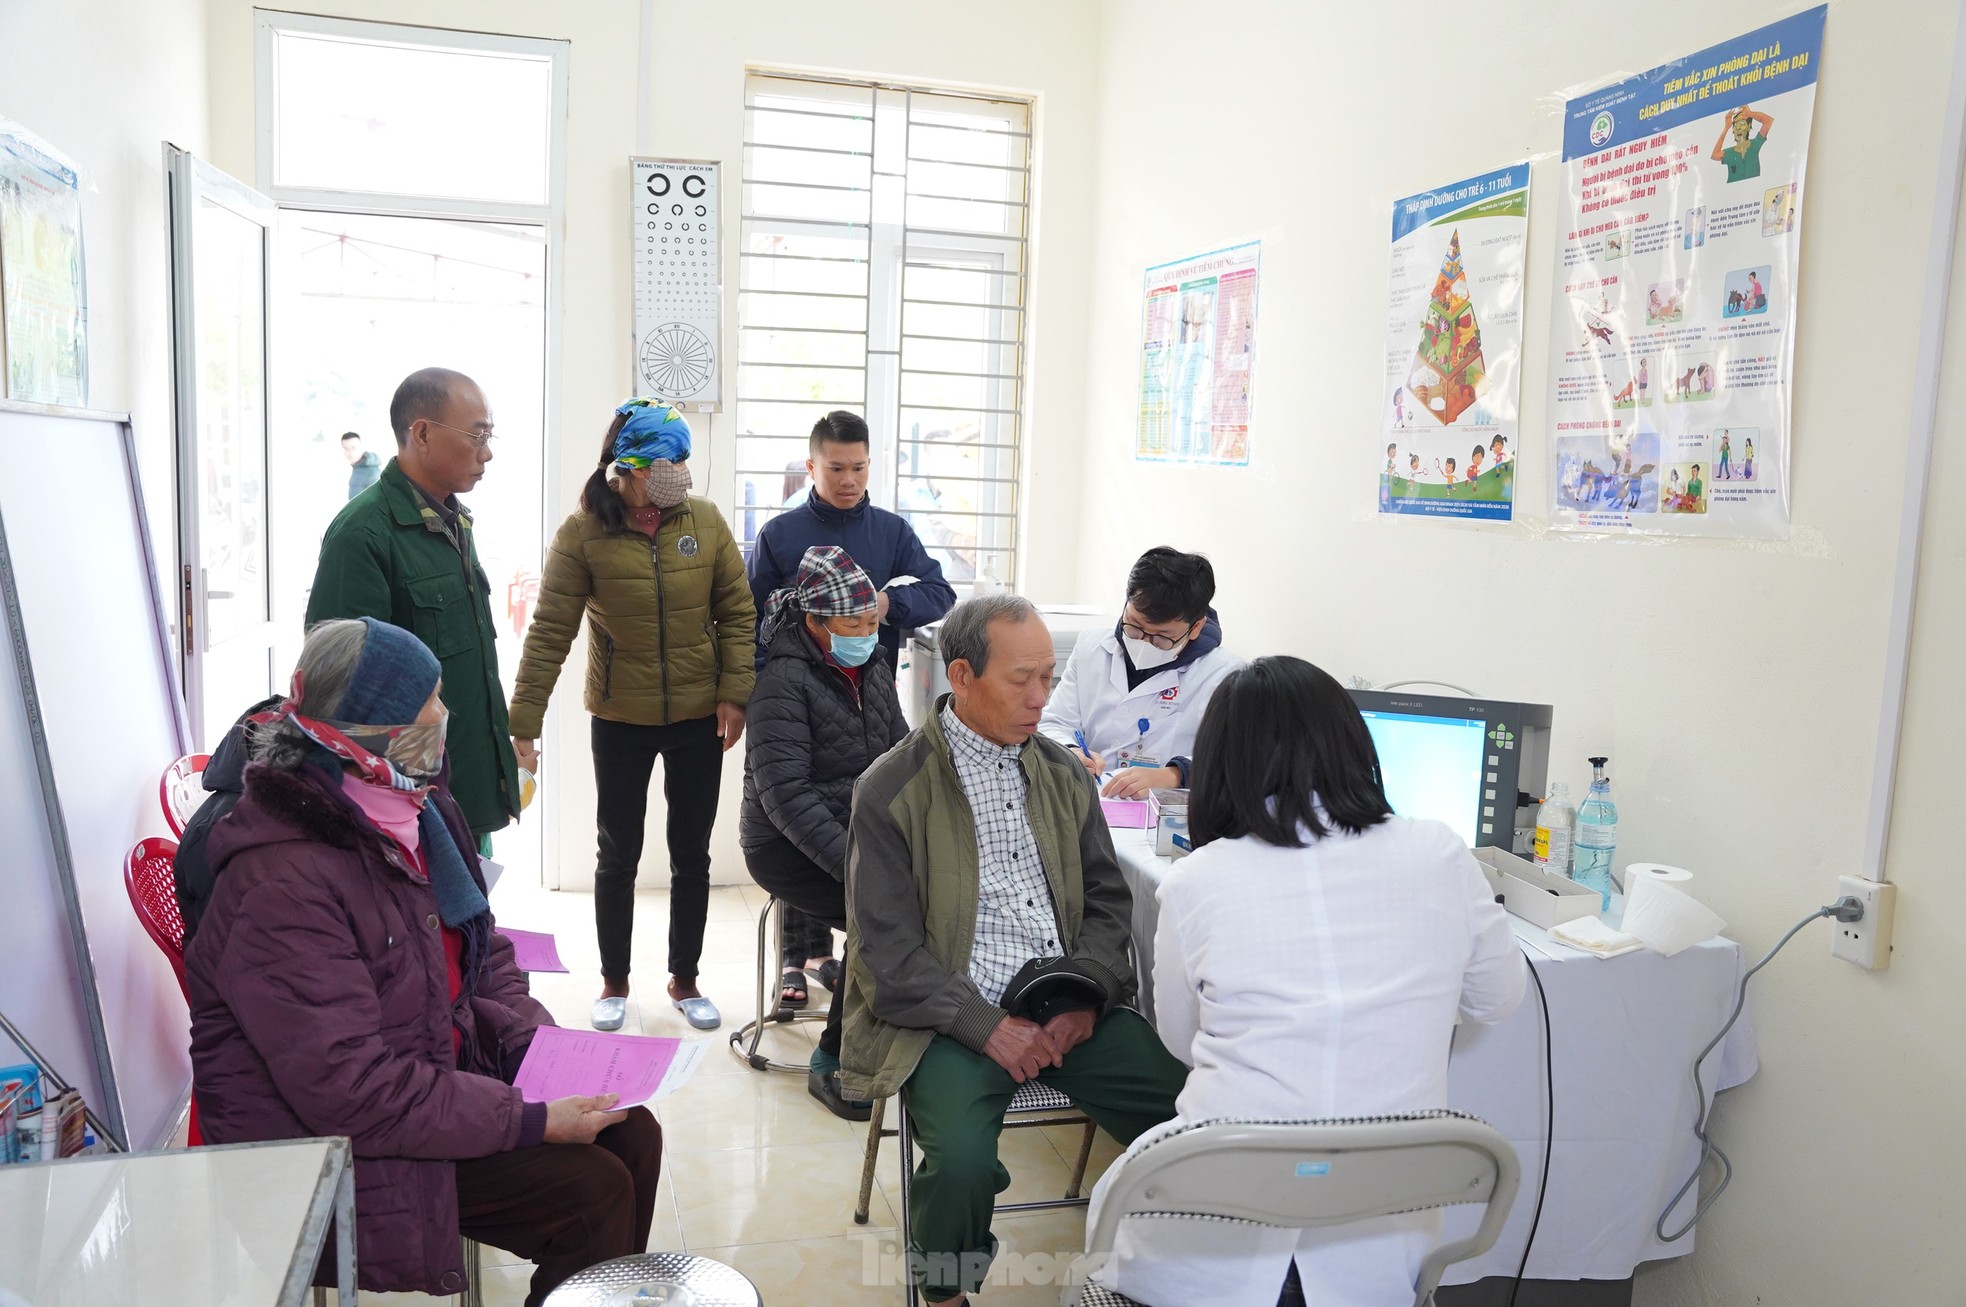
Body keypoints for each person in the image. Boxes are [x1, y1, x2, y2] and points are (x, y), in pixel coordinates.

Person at [186, 618, 664, 1306]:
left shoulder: (415, 808)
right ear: (374, 731)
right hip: (329, 1150)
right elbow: (351, 1089)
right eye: (428, 703)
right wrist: (527, 1116)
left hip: (429, 1081)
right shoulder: (281, 881)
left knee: (632, 1131)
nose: (445, 716)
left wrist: (536, 1048)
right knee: (591, 1190)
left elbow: (485, 946)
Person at [1086, 656, 1526, 1307]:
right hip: (1378, 1241)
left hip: (1213, 1232)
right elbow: (1499, 996)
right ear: (1352, 745)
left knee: (1115, 1207)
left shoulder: (1198, 878)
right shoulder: (1438, 851)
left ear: (1222, 763)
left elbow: (1181, 1039)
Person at [841, 595, 1190, 1307]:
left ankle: (1188, 1273)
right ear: (961, 675)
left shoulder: (1063, 774)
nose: (1041, 698)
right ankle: (943, 1294)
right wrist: (986, 1026)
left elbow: (1106, 902)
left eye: (1050, 678)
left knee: (1191, 1121)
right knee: (963, 1163)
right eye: (1021, 679)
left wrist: (1088, 993)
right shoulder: (891, 789)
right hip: (946, 1016)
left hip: (1068, 1006)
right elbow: (889, 952)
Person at [509, 398, 755, 1033]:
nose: (682, 471)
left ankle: (686, 978)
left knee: (691, 852)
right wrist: (524, 722)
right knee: (617, 852)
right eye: (672, 460)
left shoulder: (703, 520)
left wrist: (735, 694)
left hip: (699, 715)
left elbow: (737, 610)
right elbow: (548, 633)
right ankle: (614, 981)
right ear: (634, 466)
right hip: (619, 717)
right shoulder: (583, 533)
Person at [748, 409, 957, 998]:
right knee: (802, 803)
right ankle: (796, 961)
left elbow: (940, 590)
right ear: (812, 465)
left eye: (859, 467)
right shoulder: (781, 534)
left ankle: (841, 965)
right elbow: (750, 615)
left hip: (867, 683)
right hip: (796, 687)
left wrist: (880, 613)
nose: (849, 479)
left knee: (859, 800)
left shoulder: (891, 531)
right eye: (836, 468)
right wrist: (763, 694)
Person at [306, 368, 520, 850]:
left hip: (462, 786)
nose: (486, 452)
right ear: (422, 433)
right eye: (477, 435)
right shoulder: (364, 535)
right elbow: (339, 700)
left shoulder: (451, 522)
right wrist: (409, 800)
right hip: (411, 807)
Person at [739, 545, 910, 1120]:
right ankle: (832, 1062)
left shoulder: (874, 667)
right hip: (784, 846)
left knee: (924, 899)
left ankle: (900, 1035)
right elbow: (786, 797)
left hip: (858, 836)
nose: (867, 634)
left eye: (871, 623)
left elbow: (903, 757)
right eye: (853, 625)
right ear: (814, 623)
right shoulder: (781, 684)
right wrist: (860, 867)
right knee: (879, 914)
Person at [1038, 547, 1242, 802]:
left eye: (1161, 638)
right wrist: (1071, 751)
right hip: (1091, 797)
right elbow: (1055, 722)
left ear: (1196, 627)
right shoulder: (1091, 648)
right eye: (1134, 627)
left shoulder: (1225, 675)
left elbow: (1238, 761)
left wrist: (1173, 775)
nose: (1143, 643)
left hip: (1168, 812)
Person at [1712, 105, 1774, 184]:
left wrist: (1750, 114)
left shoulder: (1755, 144)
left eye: (1742, 124)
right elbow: (1714, 155)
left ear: (1748, 127)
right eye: (1736, 126)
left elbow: (1768, 121)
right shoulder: (1729, 153)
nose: (1738, 128)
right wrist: (1726, 128)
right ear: (1733, 130)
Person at [341, 430, 381, 498]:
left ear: (361, 447)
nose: (350, 453)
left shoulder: (372, 472)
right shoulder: (357, 468)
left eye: (353, 448)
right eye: (346, 449)